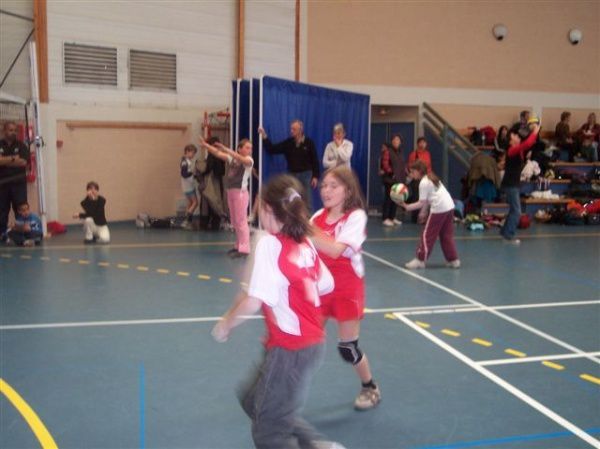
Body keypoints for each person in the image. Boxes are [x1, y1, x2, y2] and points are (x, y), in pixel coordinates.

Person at [211, 174, 341, 449]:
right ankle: (317, 444)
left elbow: (253, 301)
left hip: (289, 351)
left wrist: (226, 324)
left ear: (269, 210)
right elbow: (326, 283)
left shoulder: (271, 244)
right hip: (310, 345)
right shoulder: (304, 242)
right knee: (253, 399)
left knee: (269, 432)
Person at [310, 166, 381, 411]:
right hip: (320, 287)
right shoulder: (317, 216)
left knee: (347, 348)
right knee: (304, 341)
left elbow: (335, 249)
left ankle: (369, 386)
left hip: (346, 287)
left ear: (348, 190)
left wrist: (301, 226)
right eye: (324, 186)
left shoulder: (355, 216)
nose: (326, 190)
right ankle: (282, 391)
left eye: (334, 186)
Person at [199, 137, 253, 258]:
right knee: (234, 221)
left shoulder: (249, 160)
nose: (249, 150)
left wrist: (226, 148)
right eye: (247, 147)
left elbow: (240, 158)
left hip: (241, 193)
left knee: (241, 221)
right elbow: (218, 153)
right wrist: (207, 146)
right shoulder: (233, 159)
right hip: (231, 192)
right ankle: (238, 245)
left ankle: (244, 249)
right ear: (239, 149)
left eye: (250, 148)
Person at [401, 161, 460, 269]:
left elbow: (421, 202)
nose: (411, 175)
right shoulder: (432, 177)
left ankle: (420, 259)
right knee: (446, 235)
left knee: (427, 234)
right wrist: (423, 212)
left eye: (413, 172)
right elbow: (427, 199)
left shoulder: (423, 183)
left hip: (439, 208)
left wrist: (407, 206)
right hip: (449, 207)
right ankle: (454, 260)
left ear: (419, 171)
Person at [258, 120, 320, 209]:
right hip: (292, 175)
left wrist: (315, 176)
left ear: (300, 130)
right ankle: (294, 219)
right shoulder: (289, 143)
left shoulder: (309, 142)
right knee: (292, 198)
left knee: (307, 198)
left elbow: (315, 159)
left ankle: (308, 220)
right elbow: (272, 149)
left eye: (294, 129)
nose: (291, 131)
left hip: (306, 174)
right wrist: (264, 136)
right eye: (291, 129)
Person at [500, 121, 540, 245]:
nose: (518, 137)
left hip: (512, 184)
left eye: (518, 136)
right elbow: (527, 143)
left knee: (513, 210)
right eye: (515, 136)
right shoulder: (512, 150)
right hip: (510, 185)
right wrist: (535, 131)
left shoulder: (518, 150)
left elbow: (529, 143)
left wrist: (533, 132)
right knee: (516, 211)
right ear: (511, 140)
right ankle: (508, 236)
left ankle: (505, 232)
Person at [0, 121, 30, 243]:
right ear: (4, 131)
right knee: (2, 210)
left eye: (14, 130)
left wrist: (4, 160)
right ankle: (2, 234)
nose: (12, 132)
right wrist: (13, 158)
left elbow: (23, 162)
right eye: (10, 130)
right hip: (2, 183)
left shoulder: (22, 145)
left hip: (18, 183)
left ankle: (21, 234)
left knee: (21, 209)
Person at [380, 134, 405, 227]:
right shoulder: (387, 151)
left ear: (400, 142)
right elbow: (385, 164)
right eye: (394, 140)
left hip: (398, 180)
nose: (396, 141)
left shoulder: (400, 152)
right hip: (389, 180)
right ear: (392, 141)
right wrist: (392, 173)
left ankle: (392, 217)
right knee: (388, 199)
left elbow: (402, 166)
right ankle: (385, 218)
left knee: (395, 199)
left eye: (397, 140)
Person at [180, 144, 198, 229]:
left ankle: (187, 222)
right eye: (193, 153)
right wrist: (192, 173)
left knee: (190, 203)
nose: (193, 155)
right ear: (187, 152)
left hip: (187, 185)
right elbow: (184, 174)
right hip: (188, 186)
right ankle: (187, 220)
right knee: (195, 203)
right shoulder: (185, 162)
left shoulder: (187, 161)